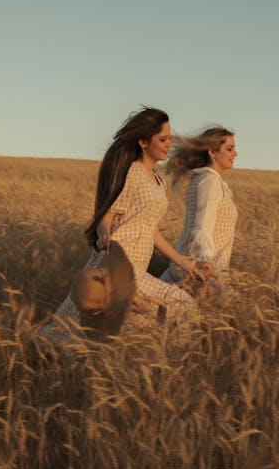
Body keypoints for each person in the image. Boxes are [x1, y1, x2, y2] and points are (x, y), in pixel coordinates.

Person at [40, 107, 198, 342]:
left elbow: (151, 230)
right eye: (163, 139)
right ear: (143, 142)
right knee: (181, 303)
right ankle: (181, 363)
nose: (168, 144)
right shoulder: (132, 173)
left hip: (134, 268)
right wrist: (104, 233)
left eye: (170, 139)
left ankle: (50, 354)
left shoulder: (157, 181)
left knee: (123, 328)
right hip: (118, 264)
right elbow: (108, 214)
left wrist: (184, 263)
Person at [161, 127, 238, 291]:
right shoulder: (209, 180)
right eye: (230, 149)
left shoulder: (205, 179)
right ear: (212, 152)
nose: (235, 154)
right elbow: (203, 225)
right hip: (201, 267)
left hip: (196, 264)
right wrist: (204, 261)